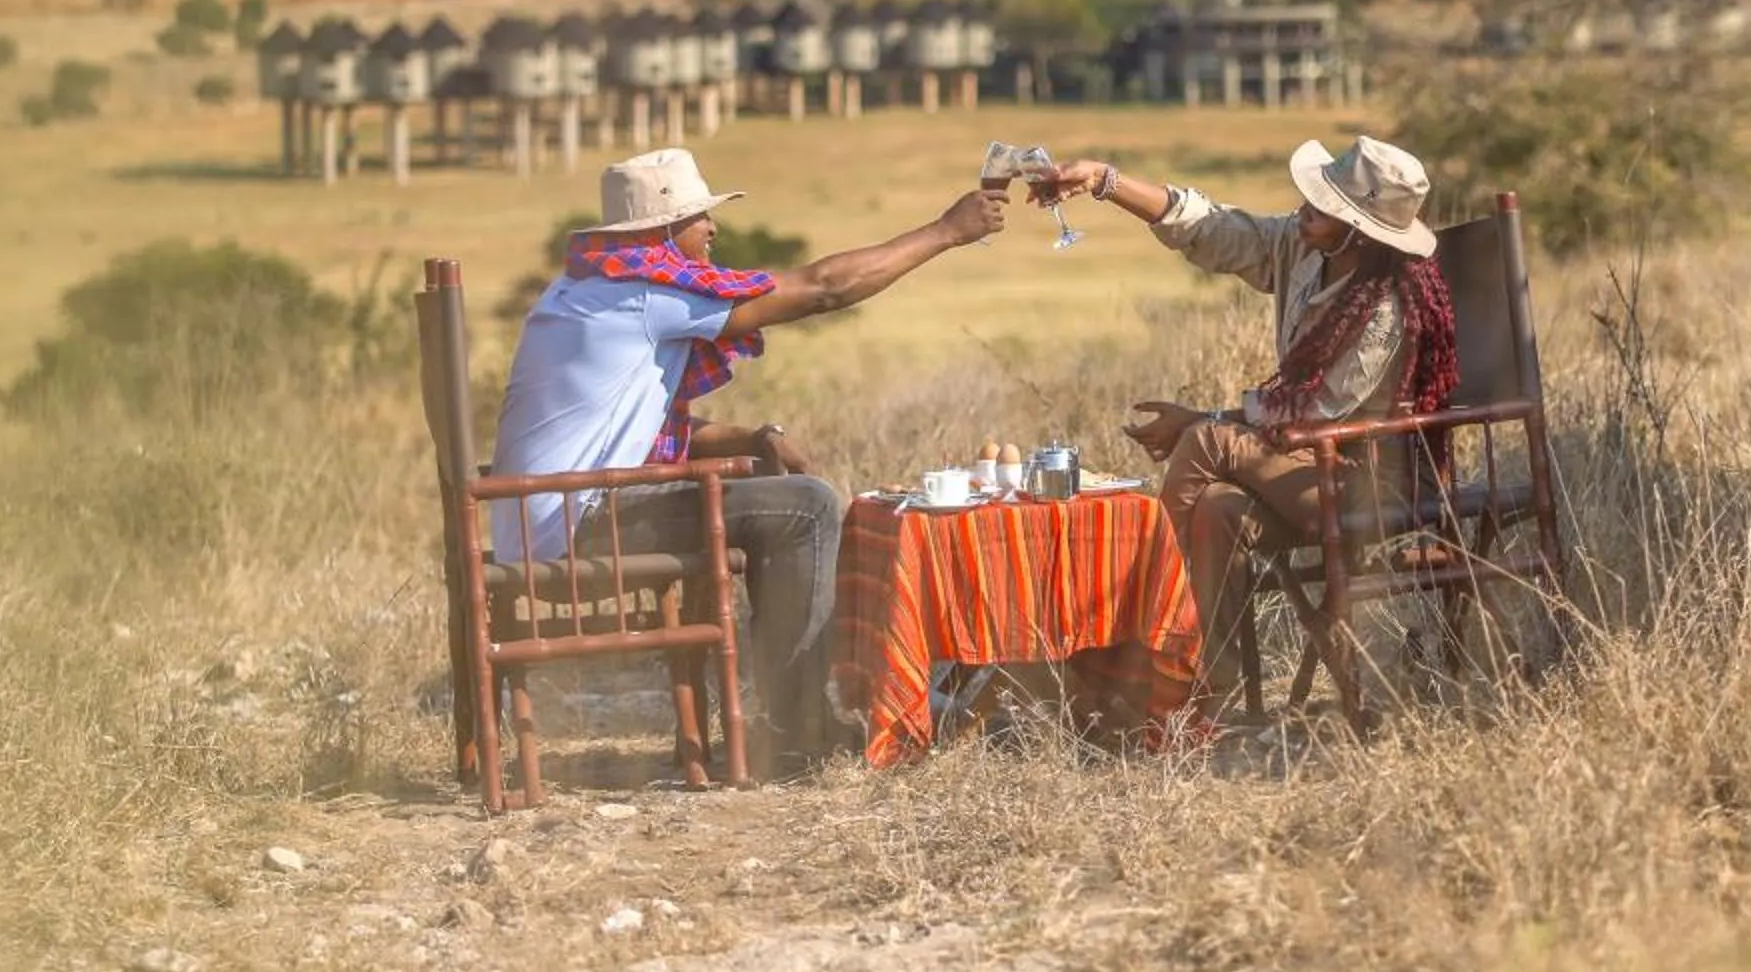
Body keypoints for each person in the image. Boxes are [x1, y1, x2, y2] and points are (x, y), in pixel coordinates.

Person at [491, 145, 1004, 776]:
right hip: (579, 526)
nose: (712, 228)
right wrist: (946, 232)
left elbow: (624, 431)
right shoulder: (644, 293)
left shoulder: (586, 288)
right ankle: (798, 728)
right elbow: (823, 289)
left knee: (781, 502)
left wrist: (751, 438)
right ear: (661, 232)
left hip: (543, 517)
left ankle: (804, 709)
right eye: (698, 217)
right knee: (806, 508)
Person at [1033, 138, 1458, 710]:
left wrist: (1205, 421)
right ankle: (1207, 677)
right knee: (1217, 510)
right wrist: (1106, 182)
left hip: (1364, 481)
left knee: (1209, 439)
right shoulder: (1305, 248)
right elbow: (1214, 228)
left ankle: (1135, 632)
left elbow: (1317, 413)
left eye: (1325, 206)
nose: (1305, 208)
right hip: (1303, 465)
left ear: (1359, 232)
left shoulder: (1386, 309)